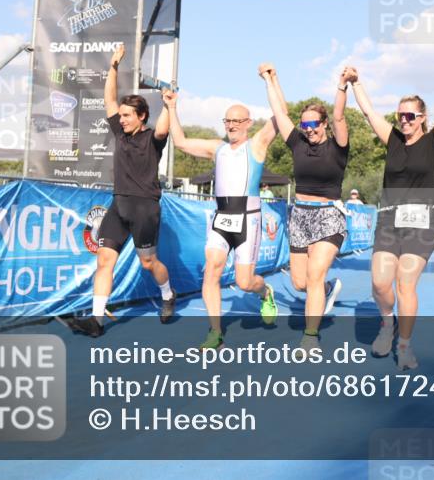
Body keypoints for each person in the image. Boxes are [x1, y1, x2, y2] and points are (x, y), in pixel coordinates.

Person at [348, 54, 434, 370]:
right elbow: (367, 112)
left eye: (410, 116)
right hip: (389, 219)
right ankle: (387, 323)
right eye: (400, 115)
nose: (404, 120)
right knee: (379, 283)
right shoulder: (391, 139)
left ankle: (404, 346)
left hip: (421, 221)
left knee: (405, 284)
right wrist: (356, 82)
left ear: (421, 117)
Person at [69, 43, 175, 337]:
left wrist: (168, 106)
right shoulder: (120, 132)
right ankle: (96, 320)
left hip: (145, 209)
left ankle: (167, 295)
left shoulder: (153, 139)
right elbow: (109, 100)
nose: (122, 119)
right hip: (119, 206)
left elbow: (165, 130)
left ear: (142, 117)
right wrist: (113, 67)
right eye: (123, 115)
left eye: (129, 115)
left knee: (148, 263)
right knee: (104, 261)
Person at [164, 90, 280, 349]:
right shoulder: (217, 148)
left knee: (244, 282)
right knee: (212, 268)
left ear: (249, 123)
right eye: (227, 121)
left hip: (248, 218)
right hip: (222, 216)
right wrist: (172, 107)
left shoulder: (257, 145)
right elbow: (181, 141)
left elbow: (280, 116)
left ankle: (265, 292)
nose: (231, 126)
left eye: (237, 121)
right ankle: (215, 331)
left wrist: (271, 81)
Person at [259, 62, 350, 349]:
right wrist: (270, 79)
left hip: (329, 216)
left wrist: (342, 85)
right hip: (299, 216)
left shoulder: (337, 146)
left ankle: (310, 338)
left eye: (314, 124)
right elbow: (279, 113)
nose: (309, 129)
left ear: (324, 125)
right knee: (300, 283)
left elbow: (339, 116)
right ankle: (324, 291)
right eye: (305, 124)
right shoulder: (297, 142)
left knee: (314, 273)